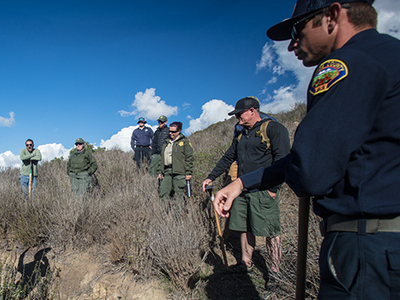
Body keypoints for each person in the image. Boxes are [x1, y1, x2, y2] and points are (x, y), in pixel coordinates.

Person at [213, 1, 400, 298]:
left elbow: (311, 171)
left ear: (332, 15)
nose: (292, 46)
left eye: (298, 30)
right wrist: (242, 182)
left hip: (368, 245)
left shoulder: (346, 64)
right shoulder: (389, 55)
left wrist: (304, 146)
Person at [202, 97, 290, 287]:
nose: (237, 118)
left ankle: (275, 272)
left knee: (271, 231)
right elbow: (228, 157)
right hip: (241, 190)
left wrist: (273, 189)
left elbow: (284, 161)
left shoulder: (273, 129)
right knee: (244, 228)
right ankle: (246, 263)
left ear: (252, 111)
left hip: (264, 189)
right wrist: (212, 176)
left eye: (239, 114)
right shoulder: (241, 135)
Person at [157, 122, 194, 200]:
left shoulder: (184, 142)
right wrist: (160, 171)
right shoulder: (166, 142)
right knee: (163, 192)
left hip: (179, 172)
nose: (171, 133)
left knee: (178, 195)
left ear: (179, 131)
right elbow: (162, 158)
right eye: (169, 131)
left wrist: (188, 172)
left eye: (173, 132)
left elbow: (189, 158)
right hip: (167, 171)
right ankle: (163, 211)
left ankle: (179, 211)